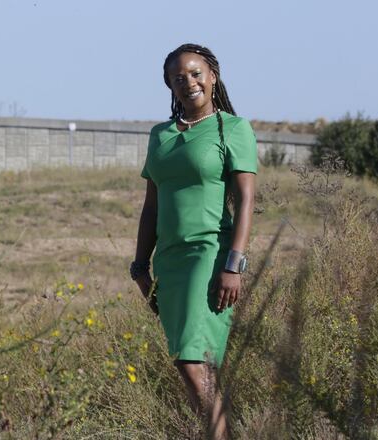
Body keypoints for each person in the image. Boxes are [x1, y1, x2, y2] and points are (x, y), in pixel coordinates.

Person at [130, 43, 257, 439]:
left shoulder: (233, 129)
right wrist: (139, 265)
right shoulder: (161, 135)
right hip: (169, 260)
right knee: (192, 361)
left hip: (210, 254)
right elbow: (151, 208)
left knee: (191, 358)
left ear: (213, 76)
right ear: (170, 85)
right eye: (178, 77)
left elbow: (247, 200)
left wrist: (233, 265)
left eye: (196, 72)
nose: (189, 82)